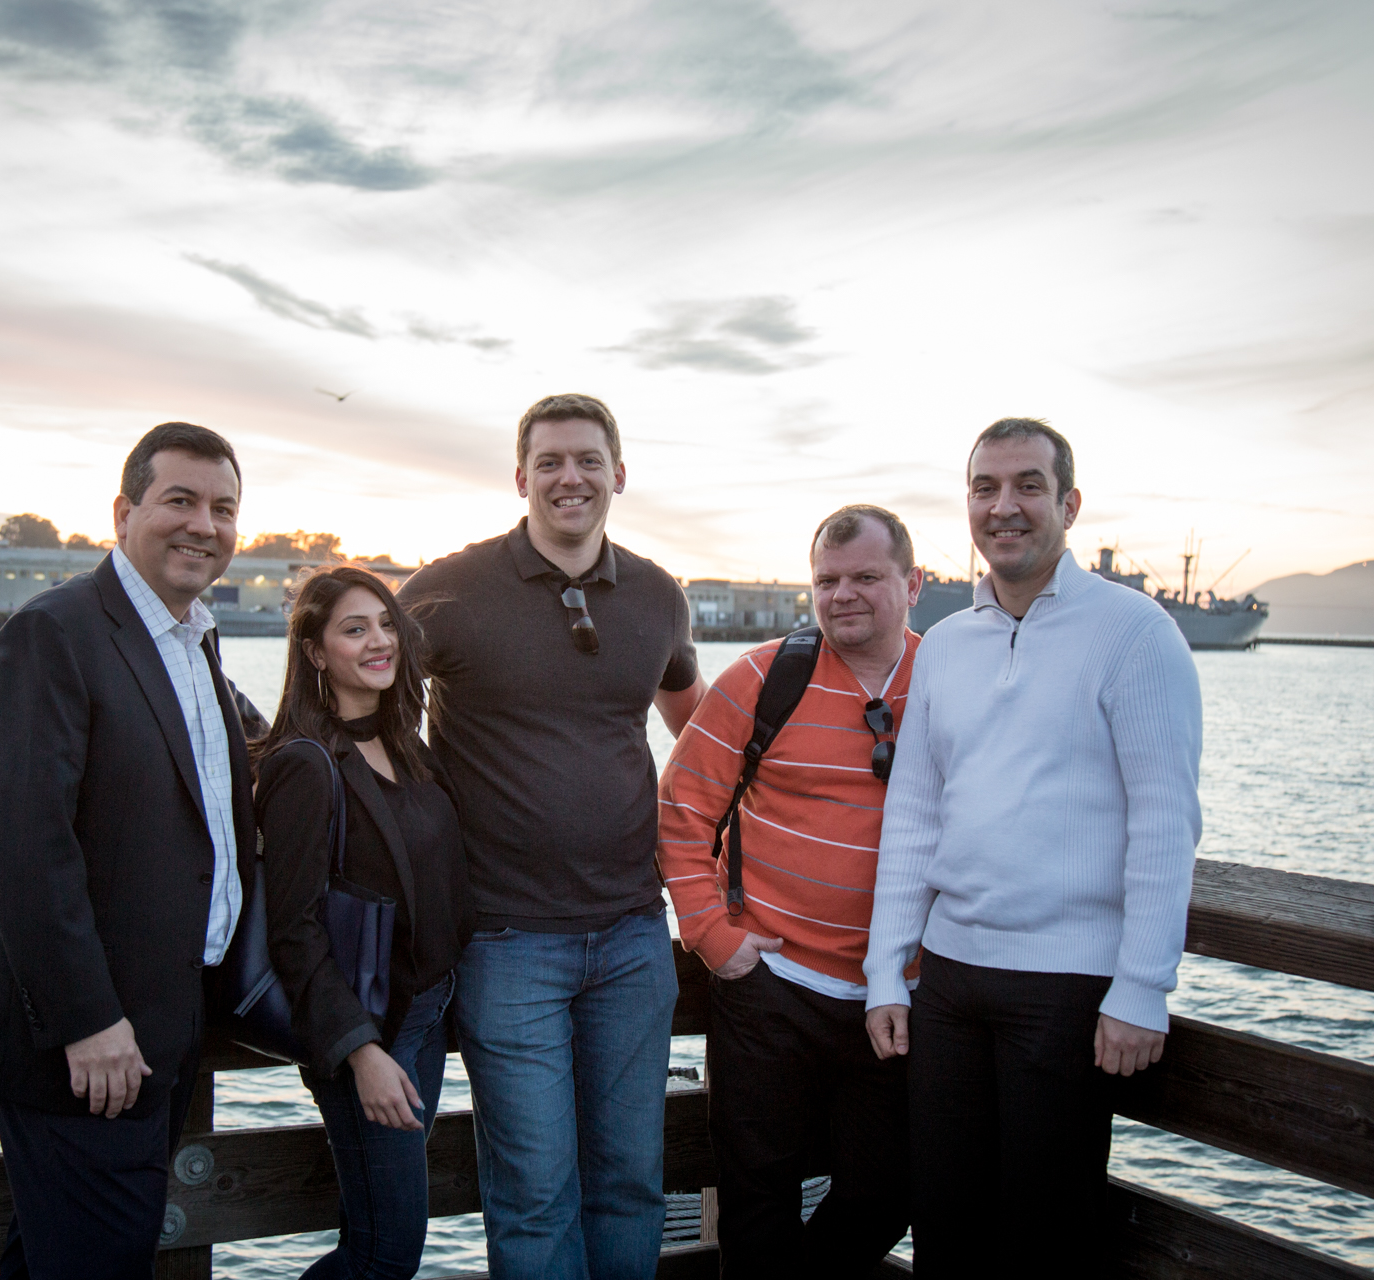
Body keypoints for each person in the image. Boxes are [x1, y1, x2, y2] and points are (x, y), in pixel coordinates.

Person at [0, 421, 258, 1280]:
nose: (203, 524)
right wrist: (88, 1020)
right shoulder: (54, 633)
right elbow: (29, 850)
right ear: (124, 512)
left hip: (163, 1025)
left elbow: (224, 768)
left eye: (223, 508)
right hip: (89, 1041)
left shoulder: (192, 636)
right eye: (180, 501)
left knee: (63, 1257)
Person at [861, 417, 1203, 1278]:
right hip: (948, 982)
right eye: (985, 488)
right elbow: (913, 817)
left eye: (1027, 487)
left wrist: (1142, 985)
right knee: (946, 1228)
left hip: (1068, 990)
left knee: (1045, 1239)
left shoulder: (1135, 633)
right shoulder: (944, 647)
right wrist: (883, 973)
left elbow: (1166, 821)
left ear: (1069, 503)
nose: (1003, 507)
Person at [397, 393, 704, 1280]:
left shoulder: (655, 594)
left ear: (618, 473)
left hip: (634, 938)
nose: (570, 477)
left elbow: (702, 729)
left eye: (587, 459)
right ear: (521, 476)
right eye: (550, 462)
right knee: (533, 1193)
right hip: (504, 941)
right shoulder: (448, 591)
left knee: (631, 1182)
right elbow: (361, 708)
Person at [657, 504, 923, 1277]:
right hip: (771, 985)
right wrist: (712, 934)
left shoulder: (951, 680)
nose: (843, 595)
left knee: (887, 1190)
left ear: (913, 582)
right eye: (826, 581)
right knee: (757, 1195)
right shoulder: (765, 676)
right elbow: (680, 811)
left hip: (896, 992)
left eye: (866, 578)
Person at [254, 565, 475, 1280]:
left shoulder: (407, 746)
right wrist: (360, 1053)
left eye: (385, 624)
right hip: (369, 1037)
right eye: (354, 629)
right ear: (316, 653)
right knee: (385, 1254)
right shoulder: (305, 766)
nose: (379, 640)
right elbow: (294, 930)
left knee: (381, 1237)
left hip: (424, 1017)